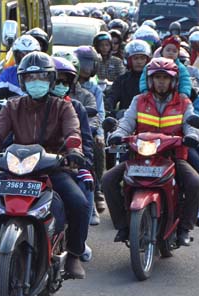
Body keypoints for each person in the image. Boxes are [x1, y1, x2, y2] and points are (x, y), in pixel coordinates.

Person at [0, 52, 89, 279]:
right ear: (22, 81)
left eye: (41, 77)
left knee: (79, 203)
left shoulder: (63, 107)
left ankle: (74, 255)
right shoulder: (12, 106)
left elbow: (73, 132)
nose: (36, 82)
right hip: (16, 167)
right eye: (30, 78)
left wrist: (74, 152)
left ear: (50, 79)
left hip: (51, 167)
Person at [102, 57, 199, 247]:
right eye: (157, 77)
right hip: (140, 157)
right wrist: (118, 134)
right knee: (107, 180)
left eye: (165, 78)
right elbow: (127, 122)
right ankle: (124, 226)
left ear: (173, 81)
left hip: (171, 158)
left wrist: (192, 135)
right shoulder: (139, 100)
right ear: (150, 80)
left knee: (195, 183)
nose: (161, 82)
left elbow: (190, 123)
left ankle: (184, 229)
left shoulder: (183, 101)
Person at [51, 56, 98, 226]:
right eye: (57, 81)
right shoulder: (23, 104)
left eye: (65, 82)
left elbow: (83, 140)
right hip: (28, 165)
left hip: (63, 164)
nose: (61, 86)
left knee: (82, 195)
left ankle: (78, 244)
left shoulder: (75, 107)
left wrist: (84, 164)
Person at [71, 46, 107, 214]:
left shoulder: (93, 90)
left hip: (87, 129)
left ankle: (97, 188)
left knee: (97, 145)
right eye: (82, 64)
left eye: (89, 64)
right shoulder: (60, 85)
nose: (85, 68)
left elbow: (98, 114)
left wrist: (97, 132)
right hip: (65, 131)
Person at [105, 39, 152, 114]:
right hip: (125, 120)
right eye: (135, 58)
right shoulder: (122, 80)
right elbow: (112, 97)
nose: (139, 62)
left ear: (147, 60)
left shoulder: (152, 79)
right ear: (129, 60)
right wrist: (108, 109)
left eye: (142, 58)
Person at [0, 35, 40, 100]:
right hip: (14, 108)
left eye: (30, 55)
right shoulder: (9, 72)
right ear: (15, 55)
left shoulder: (44, 73)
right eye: (21, 54)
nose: (25, 59)